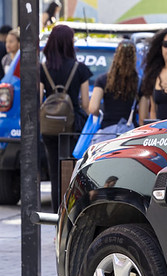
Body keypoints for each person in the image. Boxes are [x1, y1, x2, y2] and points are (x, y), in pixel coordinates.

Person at [39, 24, 92, 212]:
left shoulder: (43, 68)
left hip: (50, 127)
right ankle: (70, 216)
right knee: (71, 173)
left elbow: (39, 100)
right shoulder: (80, 69)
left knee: (55, 174)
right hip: (72, 126)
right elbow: (86, 104)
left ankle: (56, 216)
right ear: (69, 43)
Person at [88, 40, 139, 129]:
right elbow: (143, 116)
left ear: (116, 56)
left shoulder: (103, 80)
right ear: (135, 58)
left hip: (108, 131)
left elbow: (93, 108)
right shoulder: (139, 82)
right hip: (130, 133)